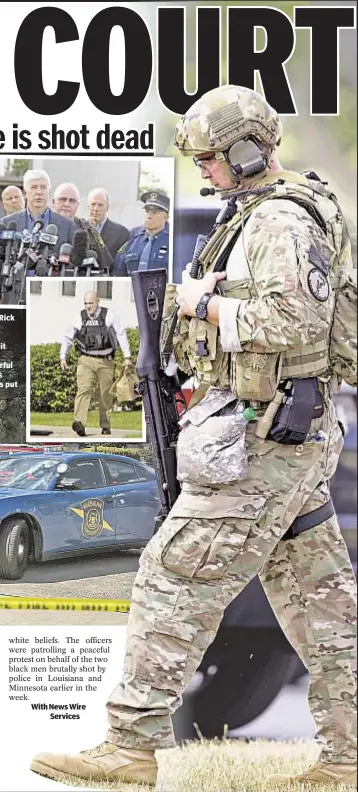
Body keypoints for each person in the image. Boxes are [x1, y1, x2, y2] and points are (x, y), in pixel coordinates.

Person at [30, 86, 357, 788]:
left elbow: (295, 325)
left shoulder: (277, 222)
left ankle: (131, 746)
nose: (203, 168)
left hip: (262, 443)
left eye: (209, 155)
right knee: (321, 603)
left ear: (244, 150)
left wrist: (202, 304)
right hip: (285, 436)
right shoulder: (281, 208)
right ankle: (347, 756)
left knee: (170, 577)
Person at [59, 290, 132, 437]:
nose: (88, 306)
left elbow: (121, 334)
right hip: (85, 360)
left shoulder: (109, 315)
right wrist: (63, 356)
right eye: (85, 303)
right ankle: (79, 423)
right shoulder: (79, 317)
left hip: (106, 361)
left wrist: (127, 356)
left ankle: (105, 425)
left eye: (90, 303)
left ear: (98, 301)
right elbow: (68, 337)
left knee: (105, 394)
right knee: (83, 390)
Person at [1, 170, 76, 252]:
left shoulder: (68, 225)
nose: (39, 192)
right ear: (25, 193)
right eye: (33, 187)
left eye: (43, 187)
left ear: (49, 192)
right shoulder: (6, 223)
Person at [53, 182, 114, 272]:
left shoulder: (89, 230)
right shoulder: (44, 227)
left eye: (72, 201)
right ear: (53, 202)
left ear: (77, 205)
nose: (67, 204)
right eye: (62, 199)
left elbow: (105, 264)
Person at [114, 190, 170, 276]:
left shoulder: (173, 239)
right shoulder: (133, 236)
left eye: (155, 212)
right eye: (147, 211)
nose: (149, 216)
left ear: (166, 217)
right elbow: (119, 268)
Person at [87, 188, 129, 258]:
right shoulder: (78, 228)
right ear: (88, 207)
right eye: (93, 204)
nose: (95, 209)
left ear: (107, 208)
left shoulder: (121, 233)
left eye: (100, 205)